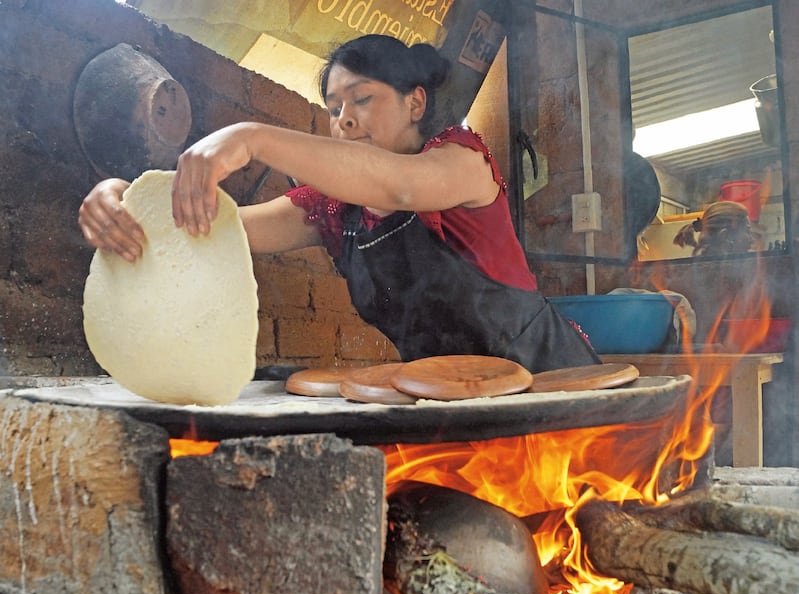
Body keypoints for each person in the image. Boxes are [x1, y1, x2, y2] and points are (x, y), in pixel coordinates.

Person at [78, 34, 599, 373]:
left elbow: (399, 186)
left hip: (552, 388)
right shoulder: (334, 209)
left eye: (362, 98)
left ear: (415, 101)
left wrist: (252, 136)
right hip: (455, 406)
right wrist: (123, 198)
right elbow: (215, 228)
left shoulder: (460, 163)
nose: (344, 119)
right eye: (334, 107)